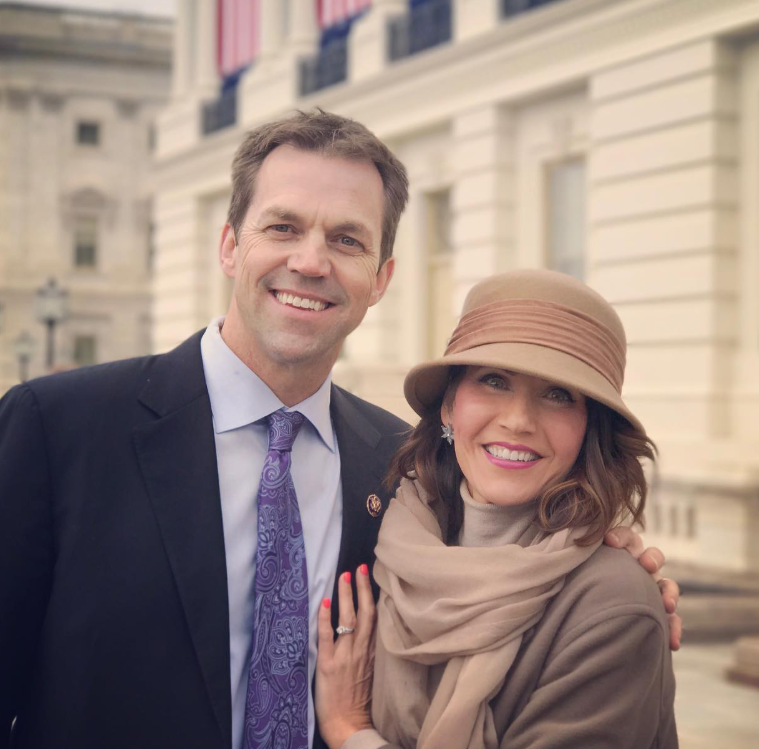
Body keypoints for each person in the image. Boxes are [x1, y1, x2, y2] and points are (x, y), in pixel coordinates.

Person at [0, 112, 677, 749]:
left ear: (380, 277)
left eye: (347, 240)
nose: (312, 262)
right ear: (231, 244)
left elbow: (510, 551)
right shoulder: (57, 428)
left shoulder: (399, 469)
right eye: (283, 227)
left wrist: (610, 555)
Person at [316, 269, 678, 749]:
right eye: (493, 381)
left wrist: (348, 732)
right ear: (449, 407)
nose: (517, 420)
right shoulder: (394, 538)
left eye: (557, 394)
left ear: (591, 429)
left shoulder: (612, 606)